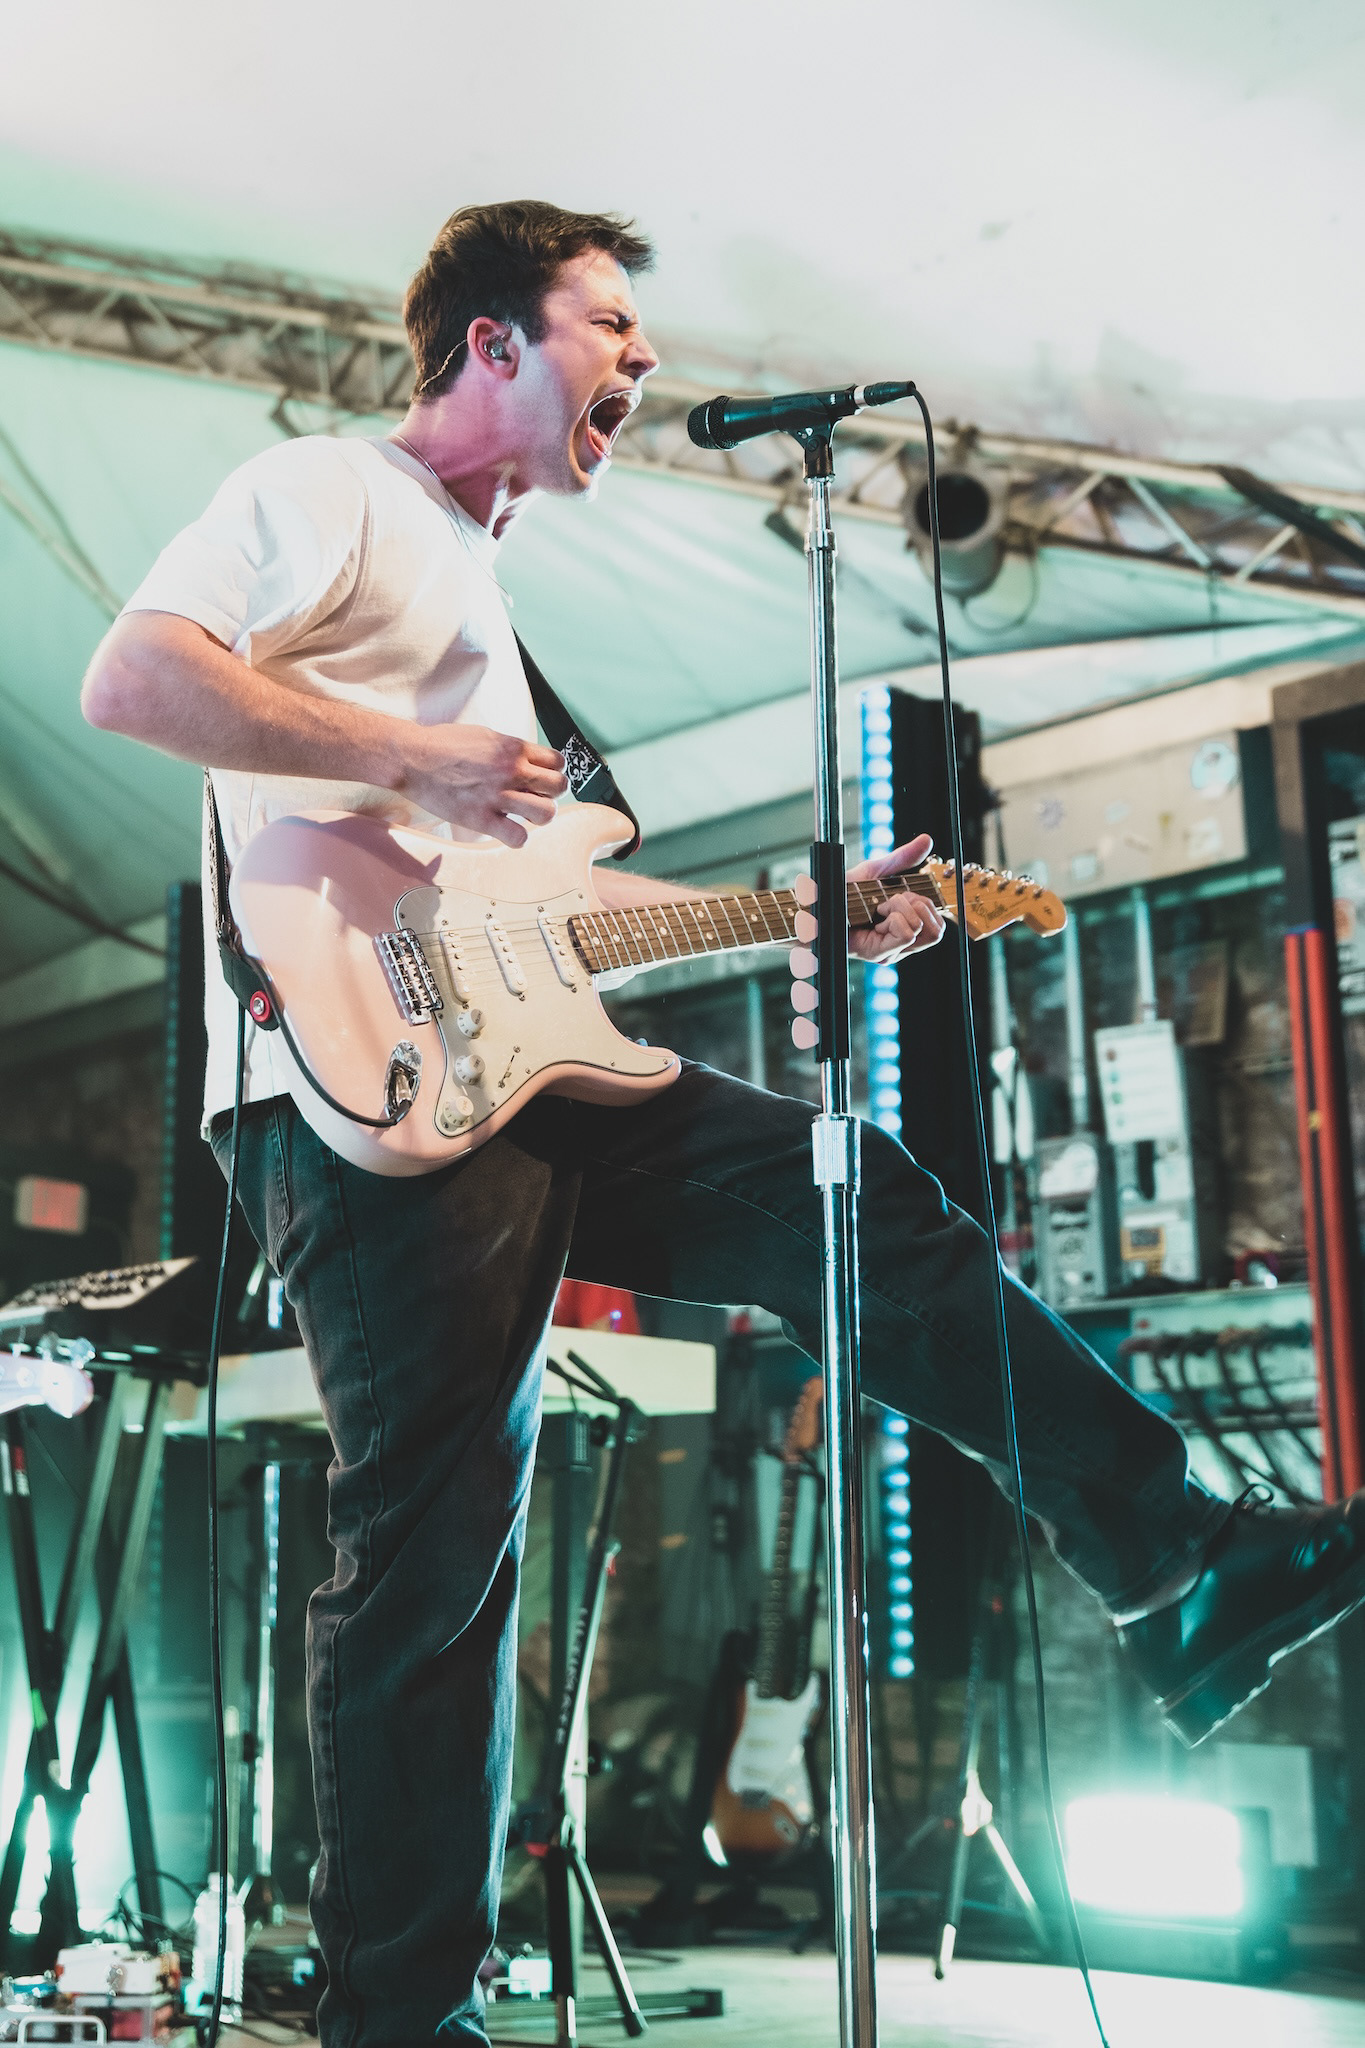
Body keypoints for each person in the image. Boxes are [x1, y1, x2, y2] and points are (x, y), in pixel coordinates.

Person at [83, 200, 1365, 2048]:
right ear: (493, 347)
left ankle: (1180, 1561)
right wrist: (413, 756)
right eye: (608, 321)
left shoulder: (480, 587)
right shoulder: (330, 488)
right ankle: (392, 2020)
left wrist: (811, 914)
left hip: (523, 1068)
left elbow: (535, 911)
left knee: (861, 1206)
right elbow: (133, 683)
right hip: (347, 1088)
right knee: (440, 1556)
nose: (646, 358)